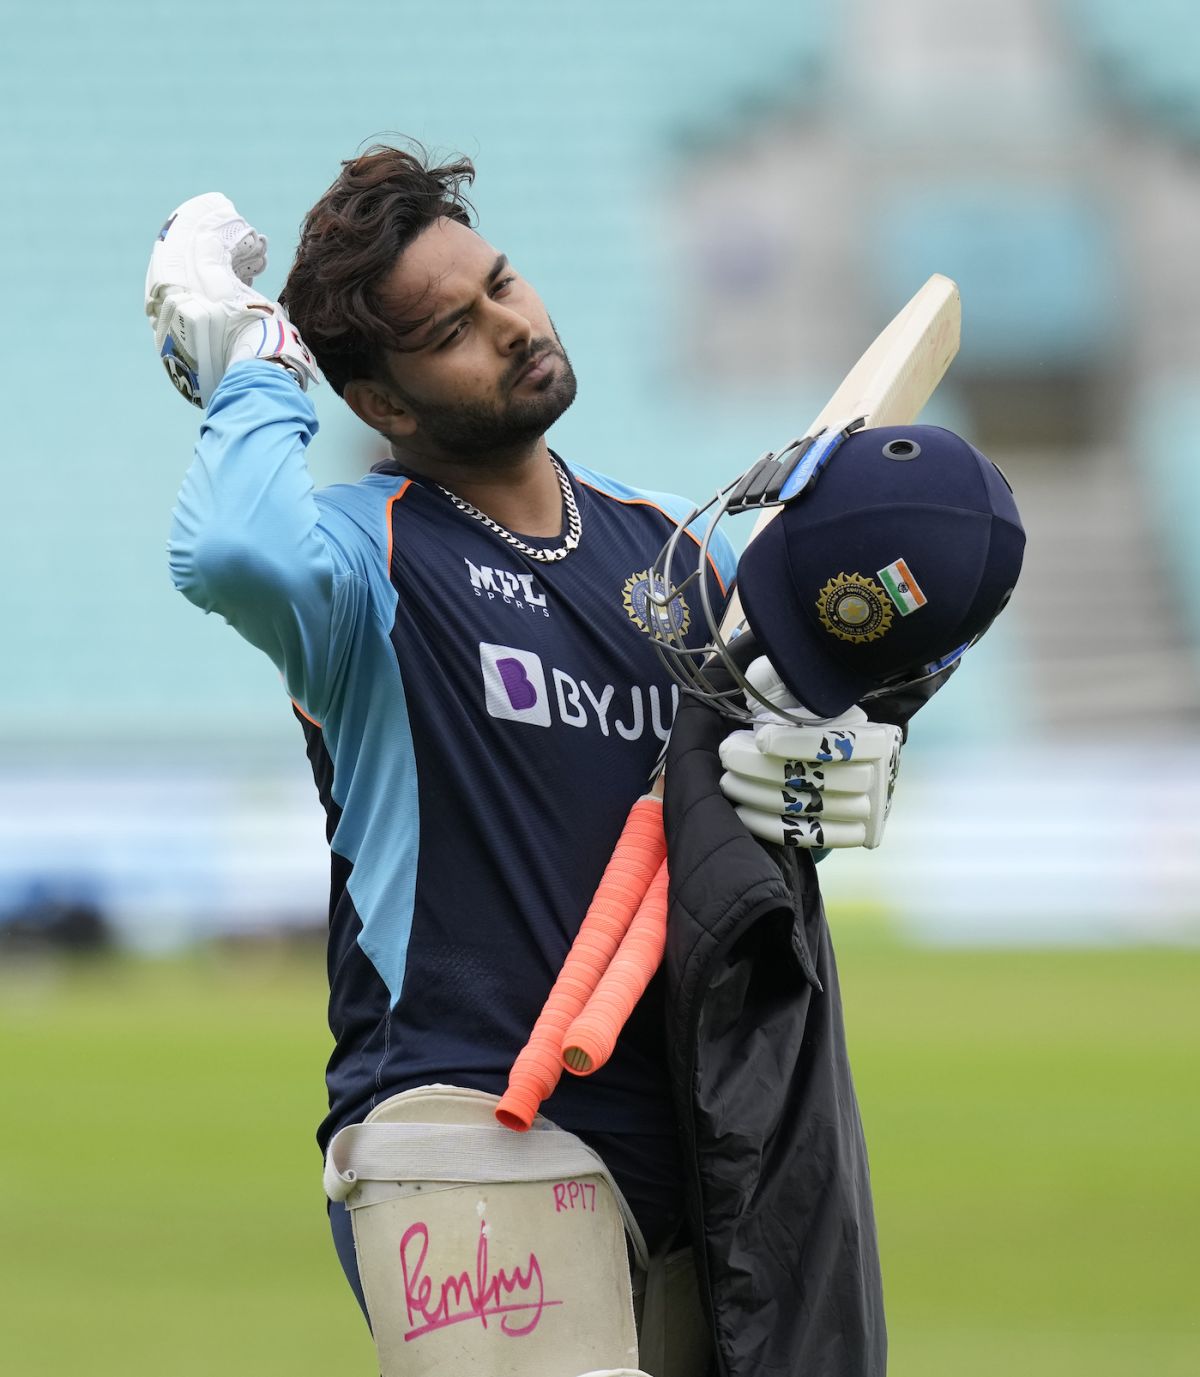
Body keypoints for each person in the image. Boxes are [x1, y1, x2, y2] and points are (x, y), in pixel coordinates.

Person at [147, 143, 904, 1377]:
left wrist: (833, 769)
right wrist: (250, 370)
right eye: (453, 325)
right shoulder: (361, 560)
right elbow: (234, 555)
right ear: (384, 402)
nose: (508, 324)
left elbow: (751, 794)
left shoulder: (671, 555)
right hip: (464, 1118)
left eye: (502, 283)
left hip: (702, 1133)